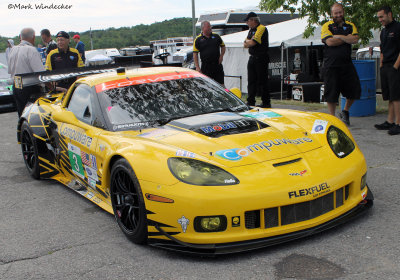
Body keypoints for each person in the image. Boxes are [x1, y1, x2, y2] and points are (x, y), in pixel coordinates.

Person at [321, 3, 361, 125]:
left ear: (343, 12)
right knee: (331, 94)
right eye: (335, 13)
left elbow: (355, 39)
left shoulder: (350, 25)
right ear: (331, 14)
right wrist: (345, 38)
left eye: (340, 12)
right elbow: (330, 42)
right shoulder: (326, 26)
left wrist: (339, 36)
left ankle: (345, 111)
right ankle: (332, 118)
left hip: (346, 64)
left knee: (355, 90)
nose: (338, 15)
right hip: (331, 65)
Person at [8, 28, 45, 117]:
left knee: (21, 115)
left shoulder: (12, 50)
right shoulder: (31, 50)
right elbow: (40, 74)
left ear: (21, 37)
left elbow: (10, 70)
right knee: (32, 117)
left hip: (16, 85)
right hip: (29, 87)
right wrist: (50, 86)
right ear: (33, 37)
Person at [375, 6, 400, 135]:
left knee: (396, 96)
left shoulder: (398, 28)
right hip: (386, 67)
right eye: (378, 17)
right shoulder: (383, 31)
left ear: (389, 14)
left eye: (381, 16)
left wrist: (396, 67)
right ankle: (390, 122)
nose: (380, 20)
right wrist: (381, 65)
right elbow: (382, 49)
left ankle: (398, 124)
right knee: (390, 96)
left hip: (395, 67)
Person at [243, 12, 270, 108]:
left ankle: (266, 102)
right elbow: (245, 44)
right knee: (251, 80)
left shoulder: (261, 28)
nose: (247, 23)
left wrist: (249, 41)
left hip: (261, 57)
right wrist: (248, 41)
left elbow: (252, 43)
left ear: (253, 20)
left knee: (262, 81)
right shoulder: (251, 30)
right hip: (252, 57)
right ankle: (250, 101)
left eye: (248, 21)